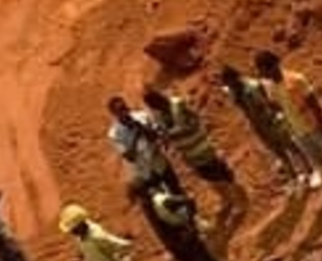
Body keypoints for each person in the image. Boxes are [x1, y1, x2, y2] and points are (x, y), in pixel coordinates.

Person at [254, 51, 322, 190]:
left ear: (273, 65)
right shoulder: (270, 87)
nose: (262, 73)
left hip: (312, 124)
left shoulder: (296, 79)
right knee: (315, 157)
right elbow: (277, 106)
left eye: (263, 69)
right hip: (296, 128)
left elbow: (312, 102)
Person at [141, 88, 249, 223]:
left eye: (154, 102)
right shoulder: (159, 117)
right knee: (210, 178)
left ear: (159, 97)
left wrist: (176, 132)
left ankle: (241, 201)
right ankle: (227, 201)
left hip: (202, 148)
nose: (154, 107)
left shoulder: (178, 105)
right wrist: (164, 136)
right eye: (151, 105)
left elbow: (195, 121)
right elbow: (165, 136)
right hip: (190, 155)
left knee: (222, 174)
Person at [141, 186, 252, 261]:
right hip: (175, 246)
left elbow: (189, 200)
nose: (140, 201)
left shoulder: (160, 201)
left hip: (188, 240)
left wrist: (191, 222)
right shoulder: (147, 207)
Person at [218, 63, 311, 190]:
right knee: (278, 152)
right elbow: (229, 93)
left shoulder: (253, 87)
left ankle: (309, 169)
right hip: (259, 126)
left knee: (290, 145)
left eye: (229, 82)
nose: (229, 86)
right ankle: (294, 176)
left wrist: (276, 117)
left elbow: (267, 103)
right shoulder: (236, 91)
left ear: (234, 79)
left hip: (271, 121)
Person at [106, 95, 182, 198]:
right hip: (145, 172)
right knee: (160, 198)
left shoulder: (141, 116)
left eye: (125, 107)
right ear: (115, 114)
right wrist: (135, 134)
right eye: (120, 110)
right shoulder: (114, 134)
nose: (125, 111)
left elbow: (156, 136)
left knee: (177, 190)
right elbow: (129, 156)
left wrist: (143, 128)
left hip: (159, 162)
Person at [58, 203, 137, 261]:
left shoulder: (97, 236)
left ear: (80, 226)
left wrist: (126, 254)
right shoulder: (81, 235)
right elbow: (85, 248)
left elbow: (117, 244)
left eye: (73, 229)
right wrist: (80, 257)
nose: (71, 232)